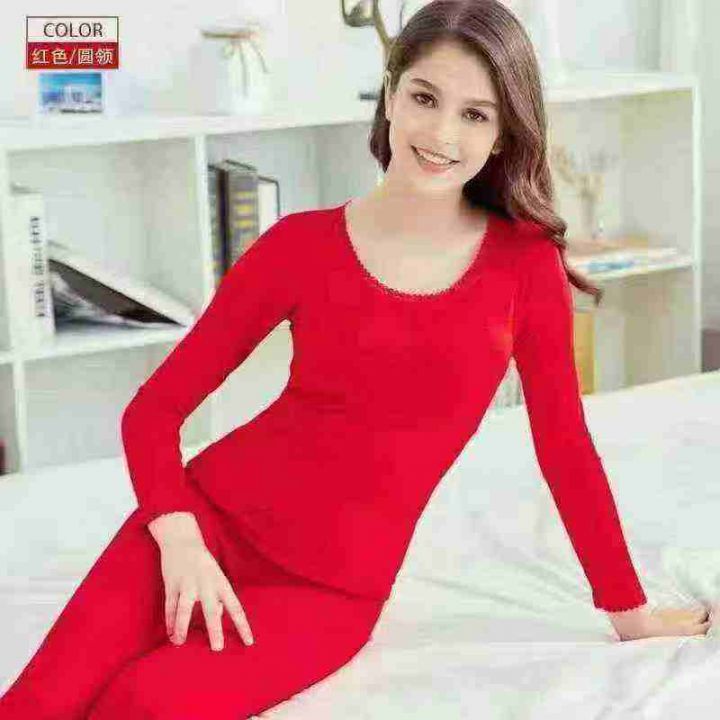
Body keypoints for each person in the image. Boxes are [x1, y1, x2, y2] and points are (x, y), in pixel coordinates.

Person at [0, 0, 711, 717]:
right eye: (425, 98)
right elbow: (152, 412)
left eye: (475, 114)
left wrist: (627, 609)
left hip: (327, 591)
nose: (441, 133)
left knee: (141, 705)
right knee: (37, 703)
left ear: (502, 136)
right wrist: (177, 532)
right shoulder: (298, 246)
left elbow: (564, 446)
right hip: (204, 521)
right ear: (391, 93)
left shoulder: (524, 266)